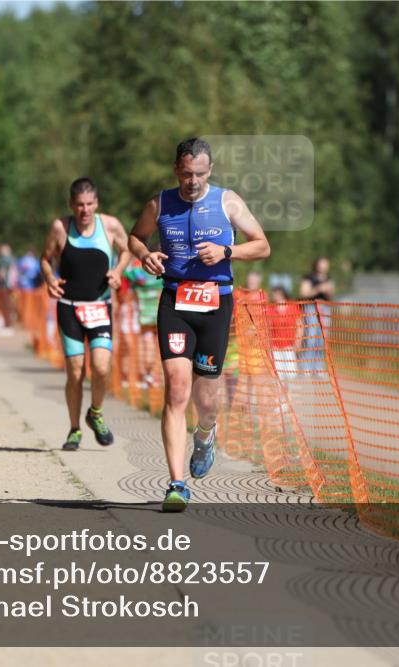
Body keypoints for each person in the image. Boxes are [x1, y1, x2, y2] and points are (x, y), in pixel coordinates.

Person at [128, 137, 270, 512]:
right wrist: (145, 255)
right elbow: (135, 237)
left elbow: (262, 245)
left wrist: (228, 251)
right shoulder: (160, 203)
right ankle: (176, 484)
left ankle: (205, 434)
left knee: (208, 399)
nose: (193, 181)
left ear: (211, 172)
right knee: (176, 391)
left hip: (215, 303)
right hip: (175, 301)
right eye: (187, 174)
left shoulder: (228, 202)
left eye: (201, 174)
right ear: (177, 169)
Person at [41, 177, 131, 451]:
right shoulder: (60, 227)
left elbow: (126, 250)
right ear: (71, 204)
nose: (84, 210)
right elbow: (46, 258)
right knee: (76, 371)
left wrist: (118, 272)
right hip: (69, 307)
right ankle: (74, 429)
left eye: (89, 204)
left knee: (102, 367)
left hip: (100, 307)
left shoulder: (111, 225)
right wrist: (49, 278)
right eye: (79, 205)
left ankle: (96, 412)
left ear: (97, 203)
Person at [123, 254, 164, 387]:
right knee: (157, 347)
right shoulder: (162, 272)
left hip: (144, 316)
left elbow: (126, 273)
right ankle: (152, 375)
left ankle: (148, 375)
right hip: (160, 314)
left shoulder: (137, 274)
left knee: (146, 344)